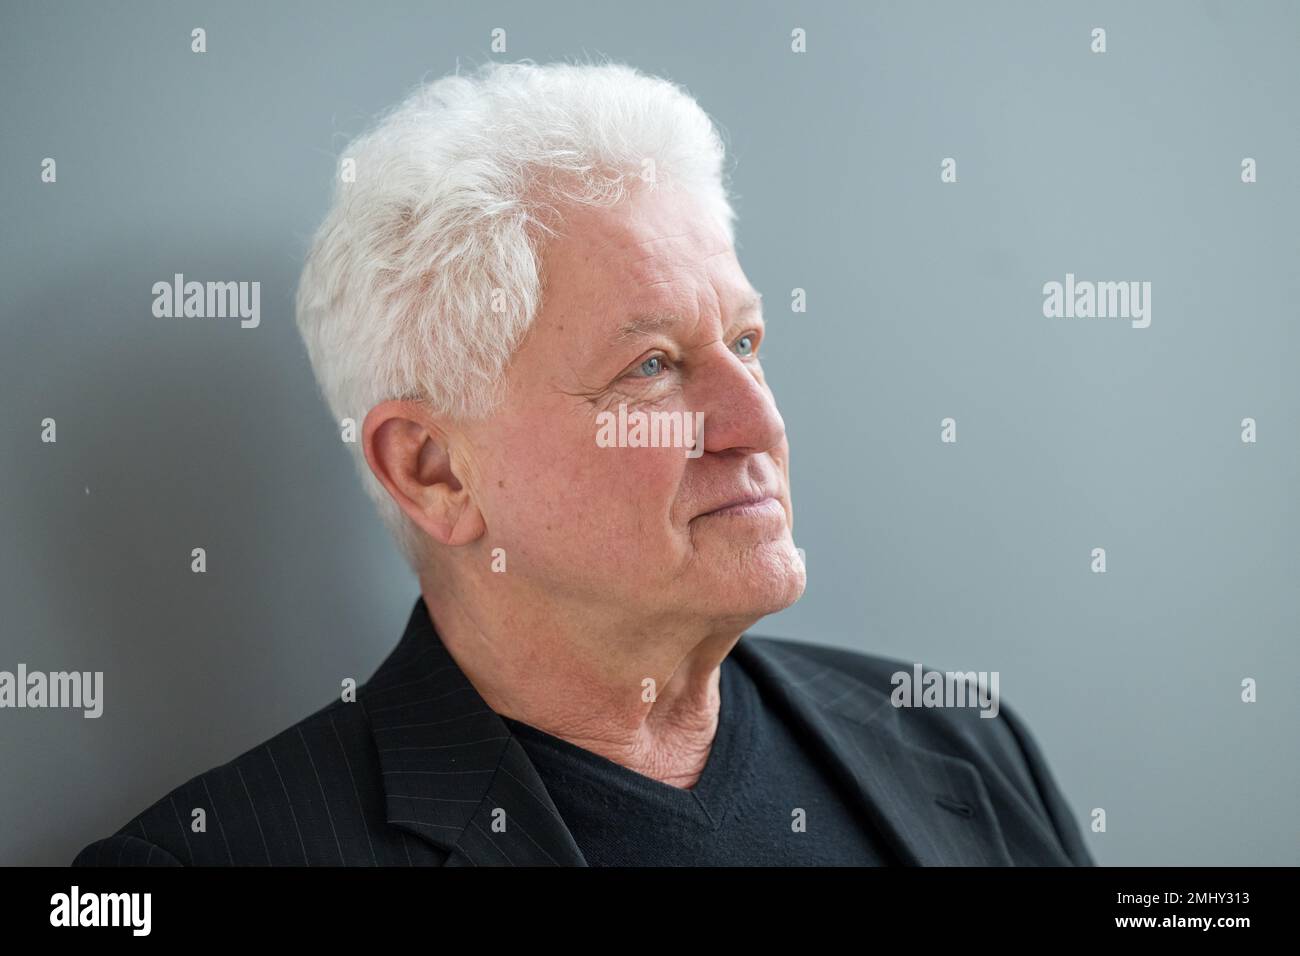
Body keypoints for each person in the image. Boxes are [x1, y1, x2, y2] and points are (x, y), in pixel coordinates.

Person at [73, 60, 1093, 867]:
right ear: (434, 471)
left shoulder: (957, 740)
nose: (757, 422)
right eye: (651, 367)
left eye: (745, 343)